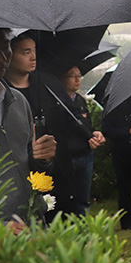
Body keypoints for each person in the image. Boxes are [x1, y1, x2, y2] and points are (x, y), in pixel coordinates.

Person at [0, 27, 56, 227]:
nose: (1, 59)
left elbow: (27, 162)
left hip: (35, 224)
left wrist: (43, 157)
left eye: (5, 46)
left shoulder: (18, 101)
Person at [50, 65, 105, 216]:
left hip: (85, 155)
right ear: (62, 79)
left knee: (83, 199)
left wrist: (95, 133)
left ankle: (83, 226)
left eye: (79, 75)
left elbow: (87, 126)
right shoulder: (55, 102)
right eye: (72, 76)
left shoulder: (80, 100)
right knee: (66, 198)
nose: (77, 79)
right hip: (67, 157)